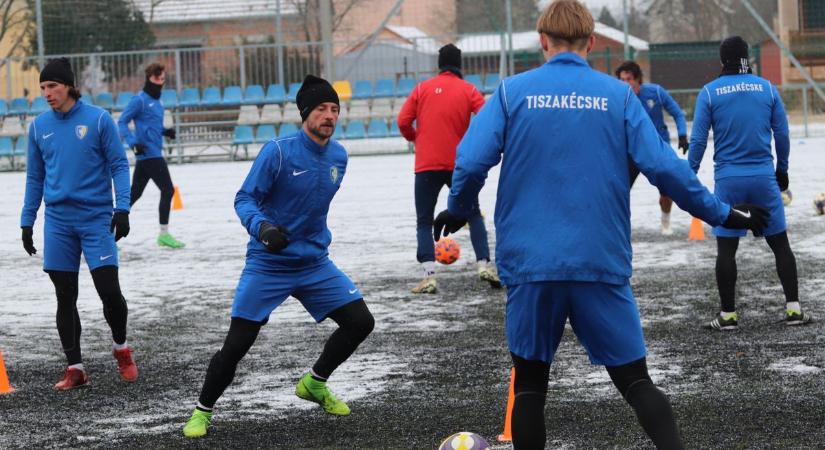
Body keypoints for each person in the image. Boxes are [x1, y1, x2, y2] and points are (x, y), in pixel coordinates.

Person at [432, 2, 768, 448]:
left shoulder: (513, 93)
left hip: (532, 263)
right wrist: (724, 214)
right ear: (591, 43)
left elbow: (471, 161)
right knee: (636, 382)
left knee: (530, 387)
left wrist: (458, 207)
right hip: (598, 259)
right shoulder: (618, 96)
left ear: (542, 40)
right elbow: (667, 170)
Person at [182, 75, 374, 438]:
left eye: (334, 109)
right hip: (269, 264)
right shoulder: (279, 151)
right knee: (237, 344)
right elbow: (244, 198)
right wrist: (263, 228)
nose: (329, 115)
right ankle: (201, 412)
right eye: (321, 109)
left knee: (361, 322)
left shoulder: (339, 156)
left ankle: (315, 383)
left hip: (314, 262)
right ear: (305, 113)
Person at [21, 57, 137, 390]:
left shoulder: (99, 120)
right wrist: (27, 221)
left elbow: (119, 165)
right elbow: (34, 177)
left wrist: (122, 208)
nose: (46, 93)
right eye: (43, 87)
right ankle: (75, 368)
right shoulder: (38, 126)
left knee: (109, 292)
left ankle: (121, 347)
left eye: (52, 86)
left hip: (95, 218)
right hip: (58, 222)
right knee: (64, 296)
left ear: (69, 86)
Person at [688, 36, 812, 330]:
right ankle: (793, 309)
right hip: (763, 178)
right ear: (748, 59)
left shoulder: (709, 92)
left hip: (729, 181)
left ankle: (728, 315)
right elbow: (782, 135)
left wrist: (687, 175)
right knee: (780, 244)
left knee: (727, 249)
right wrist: (782, 171)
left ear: (722, 61)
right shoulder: (767, 88)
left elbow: (697, 141)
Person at [397, 43, 500, 294]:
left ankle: (429, 275)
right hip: (459, 165)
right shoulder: (468, 89)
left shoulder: (422, 89)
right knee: (473, 214)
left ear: (439, 64)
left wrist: (416, 138)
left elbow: (402, 121)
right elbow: (487, 117)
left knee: (424, 219)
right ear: (459, 65)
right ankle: (483, 264)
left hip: (426, 164)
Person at [615, 60, 689, 235]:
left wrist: (682, 134)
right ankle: (620, 226)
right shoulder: (618, 98)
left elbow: (677, 113)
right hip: (631, 151)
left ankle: (665, 221)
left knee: (667, 190)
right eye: (622, 80)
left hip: (657, 150)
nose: (625, 83)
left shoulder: (655, 92)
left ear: (638, 79)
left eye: (629, 79)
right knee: (619, 190)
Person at [118, 62, 184, 249]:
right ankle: (164, 234)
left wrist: (165, 132)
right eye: (157, 78)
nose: (160, 82)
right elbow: (122, 122)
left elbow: (152, 126)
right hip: (149, 154)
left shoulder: (158, 102)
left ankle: (107, 231)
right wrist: (133, 143)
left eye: (163, 79)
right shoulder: (139, 100)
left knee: (133, 194)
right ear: (149, 78)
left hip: (152, 154)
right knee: (168, 190)